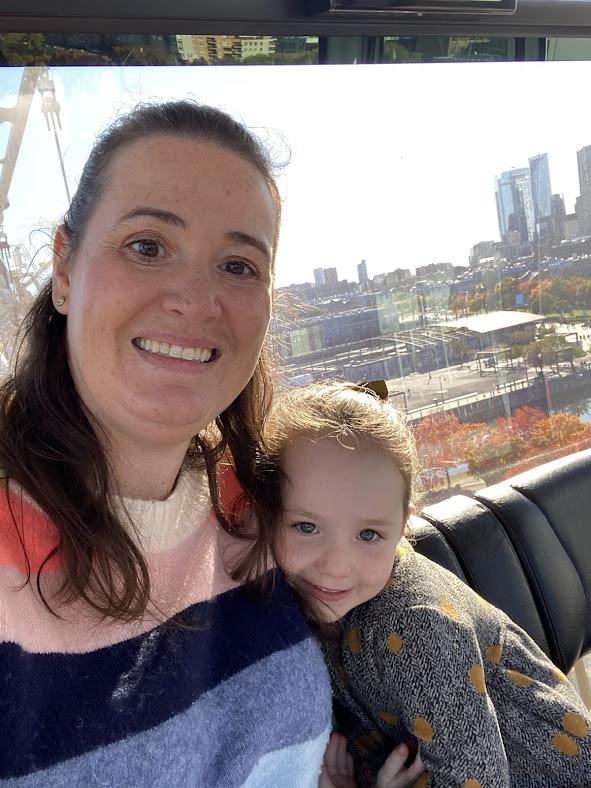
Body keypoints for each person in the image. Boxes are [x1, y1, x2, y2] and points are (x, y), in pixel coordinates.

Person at [0, 101, 333, 786]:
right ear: (64, 269)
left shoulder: (265, 507)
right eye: (147, 246)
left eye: (238, 266)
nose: (194, 298)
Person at [258, 381, 591, 788]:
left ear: (403, 526)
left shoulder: (417, 628)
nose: (335, 567)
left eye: (368, 535)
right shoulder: (297, 603)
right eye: (306, 526)